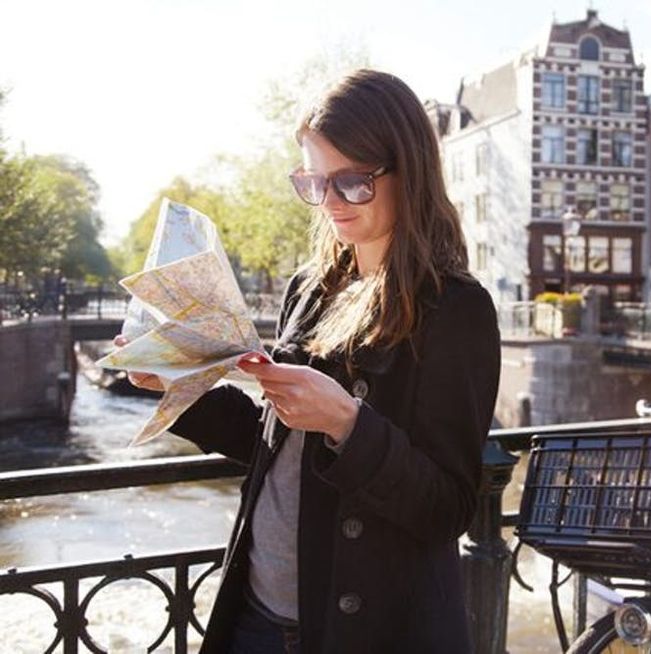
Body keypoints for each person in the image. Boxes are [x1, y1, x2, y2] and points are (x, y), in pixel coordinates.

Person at [113, 69, 501, 654]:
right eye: (313, 182)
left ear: (409, 171)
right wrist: (175, 381)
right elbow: (272, 445)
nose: (329, 203)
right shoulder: (311, 288)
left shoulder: (455, 308)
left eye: (351, 183)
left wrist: (348, 424)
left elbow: (448, 508)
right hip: (256, 610)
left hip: (357, 631)